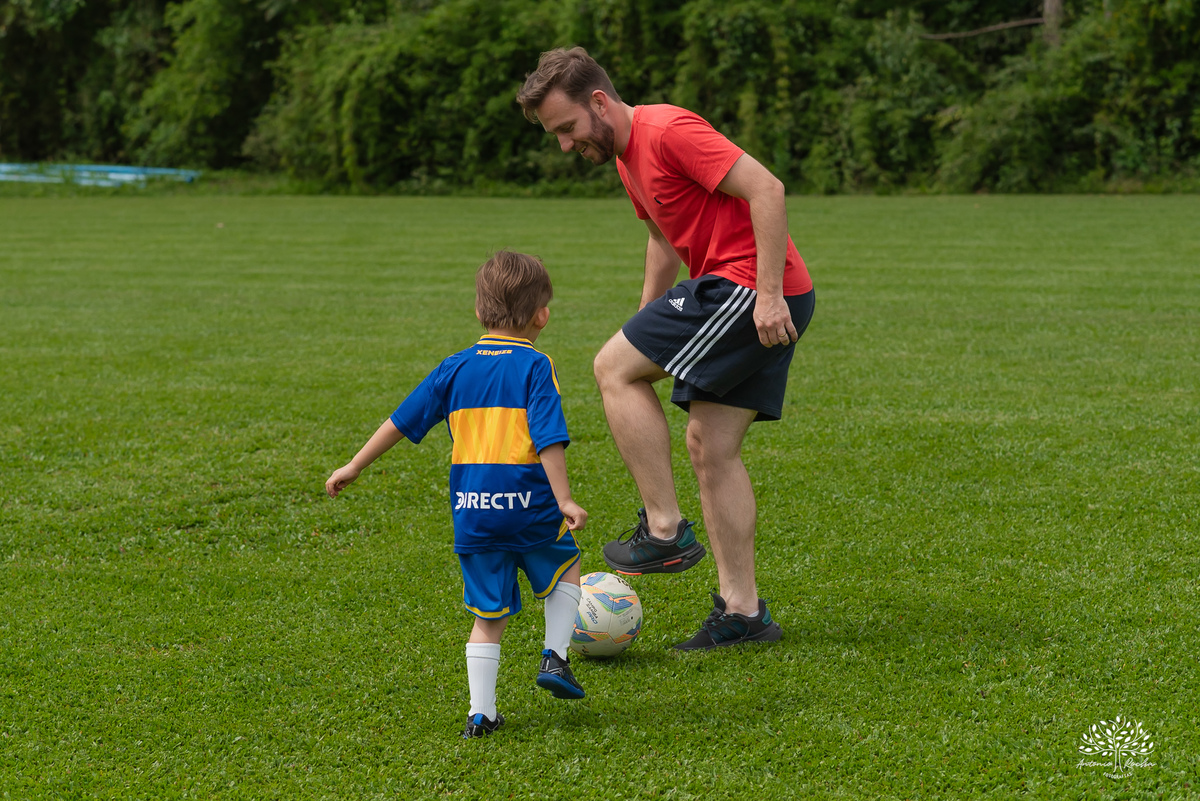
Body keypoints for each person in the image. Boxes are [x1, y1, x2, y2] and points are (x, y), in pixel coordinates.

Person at [517, 47, 814, 651]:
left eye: (568, 129)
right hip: (746, 290)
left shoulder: (668, 130)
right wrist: (645, 318)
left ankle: (665, 529)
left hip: (748, 287)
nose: (566, 146)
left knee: (611, 368)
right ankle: (744, 613)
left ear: (599, 102)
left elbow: (768, 189)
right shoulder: (627, 158)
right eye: (556, 136)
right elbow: (661, 238)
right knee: (711, 447)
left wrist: (769, 296)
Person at [324, 250, 589, 739]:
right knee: (566, 567)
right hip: (528, 505)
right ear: (542, 316)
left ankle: (480, 715)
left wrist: (355, 464)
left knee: (487, 615)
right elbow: (548, 435)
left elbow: (401, 421)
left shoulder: (454, 367)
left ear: (478, 312)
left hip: (473, 513)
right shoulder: (535, 365)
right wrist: (566, 499)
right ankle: (555, 656)